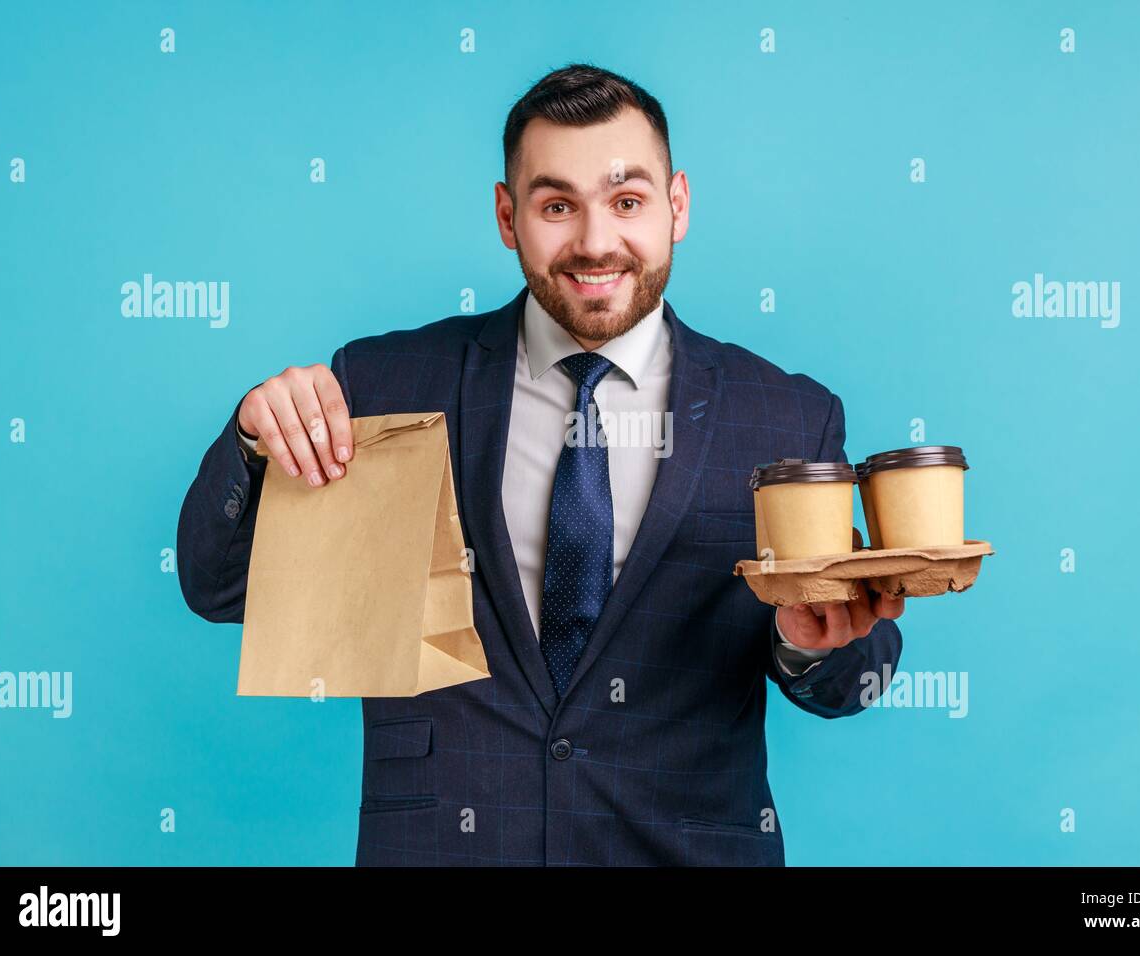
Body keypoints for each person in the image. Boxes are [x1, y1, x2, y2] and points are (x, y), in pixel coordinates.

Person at [177, 63, 904, 866]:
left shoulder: (785, 416)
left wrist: (810, 643)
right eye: (557, 205)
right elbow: (218, 588)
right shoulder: (383, 385)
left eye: (627, 201)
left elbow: (850, 683)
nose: (595, 242)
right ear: (506, 215)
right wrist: (253, 439)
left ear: (678, 205)